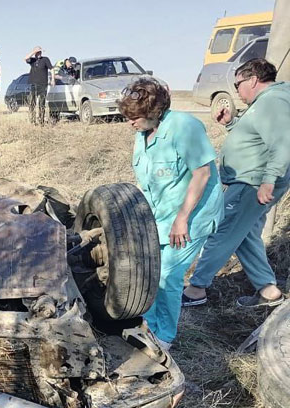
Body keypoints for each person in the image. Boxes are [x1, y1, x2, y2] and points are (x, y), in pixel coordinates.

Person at [118, 78, 224, 348]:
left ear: (154, 111)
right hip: (161, 217)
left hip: (192, 216)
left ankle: (163, 336)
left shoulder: (184, 127)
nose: (130, 123)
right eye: (128, 117)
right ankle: (148, 323)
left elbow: (202, 173)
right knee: (151, 271)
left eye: (135, 117)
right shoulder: (142, 134)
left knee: (168, 275)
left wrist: (182, 218)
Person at [183, 58, 290, 308]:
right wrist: (231, 123)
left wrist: (268, 180)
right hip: (252, 179)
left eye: (238, 83)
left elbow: (283, 143)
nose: (236, 90)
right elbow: (255, 139)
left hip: (252, 182)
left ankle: (197, 289)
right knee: (245, 233)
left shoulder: (273, 101)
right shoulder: (264, 103)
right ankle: (268, 290)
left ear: (253, 79)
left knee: (223, 229)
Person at [25, 46, 54, 125]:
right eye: (38, 52)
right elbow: (25, 58)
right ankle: (32, 121)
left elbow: (51, 69)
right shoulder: (32, 60)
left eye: (40, 52)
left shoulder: (45, 59)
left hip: (43, 84)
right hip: (33, 84)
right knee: (32, 103)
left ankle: (41, 121)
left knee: (42, 103)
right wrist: (33, 52)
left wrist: (53, 79)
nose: (39, 53)